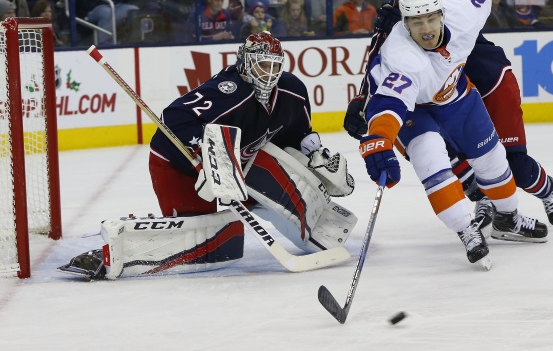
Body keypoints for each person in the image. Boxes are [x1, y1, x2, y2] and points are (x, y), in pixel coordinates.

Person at [59, 32, 357, 280]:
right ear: (244, 62)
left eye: (273, 65)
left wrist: (315, 155)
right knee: (205, 239)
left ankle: (319, 225)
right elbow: (173, 119)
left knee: (273, 176)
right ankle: (115, 250)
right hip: (178, 164)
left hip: (241, 163)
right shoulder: (228, 91)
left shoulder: (293, 90)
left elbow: (296, 134)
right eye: (261, 65)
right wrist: (206, 156)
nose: (268, 73)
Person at [354, 0, 553, 266]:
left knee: (495, 163)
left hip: (458, 97)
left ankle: (508, 218)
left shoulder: (461, 13)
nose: (425, 29)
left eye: (430, 18)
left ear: (442, 11)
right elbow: (390, 104)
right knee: (432, 163)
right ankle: (466, 229)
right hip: (417, 110)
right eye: (416, 22)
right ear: (404, 22)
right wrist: (379, 139)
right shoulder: (400, 53)